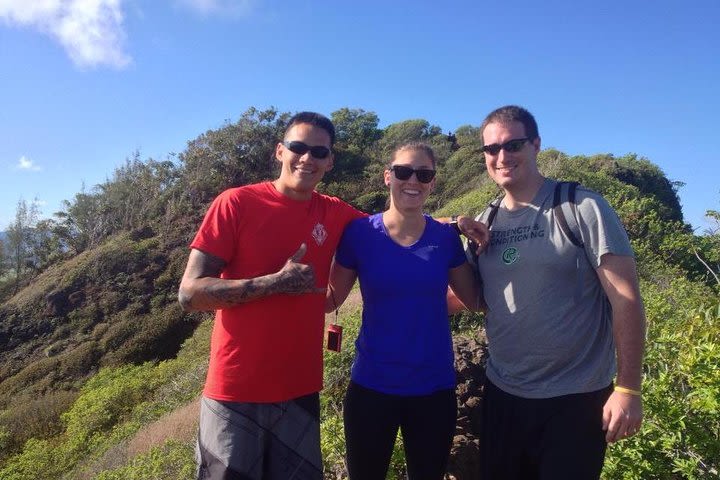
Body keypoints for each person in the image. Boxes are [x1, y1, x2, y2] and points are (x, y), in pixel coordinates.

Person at [178, 112, 366, 480]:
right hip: (234, 391)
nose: (307, 158)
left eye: (318, 151)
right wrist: (272, 283)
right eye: (298, 147)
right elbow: (190, 293)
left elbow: (392, 227)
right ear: (280, 151)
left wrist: (456, 224)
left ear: (330, 161)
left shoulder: (334, 212)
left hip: (300, 390)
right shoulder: (235, 203)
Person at [466, 105, 647, 479]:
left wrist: (629, 388)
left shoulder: (580, 207)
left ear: (535, 145)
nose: (502, 157)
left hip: (575, 399)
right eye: (491, 149)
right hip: (504, 395)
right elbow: (474, 300)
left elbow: (626, 299)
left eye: (513, 145)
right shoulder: (486, 223)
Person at [326, 142, 480, 479]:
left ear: (433, 182)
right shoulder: (360, 233)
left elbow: (474, 300)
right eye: (403, 171)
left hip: (433, 389)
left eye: (423, 174)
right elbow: (330, 299)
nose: (413, 180)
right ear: (387, 177)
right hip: (371, 387)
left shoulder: (445, 239)